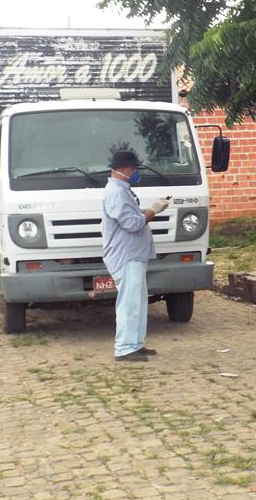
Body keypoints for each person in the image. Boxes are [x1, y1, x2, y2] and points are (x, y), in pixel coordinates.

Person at [102, 150, 170, 362]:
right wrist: (154, 210)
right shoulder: (116, 192)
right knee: (129, 303)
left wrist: (146, 210)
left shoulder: (123, 190)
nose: (135, 172)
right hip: (126, 255)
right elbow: (131, 223)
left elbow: (131, 215)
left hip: (134, 254)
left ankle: (135, 343)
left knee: (138, 302)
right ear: (124, 169)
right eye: (133, 169)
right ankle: (124, 348)